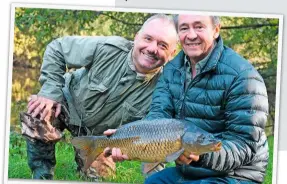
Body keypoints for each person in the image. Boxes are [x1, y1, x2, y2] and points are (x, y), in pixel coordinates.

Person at [107, 14, 269, 184]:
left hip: (236, 174)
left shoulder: (243, 77)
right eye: (184, 28)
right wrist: (128, 136)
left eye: (199, 26)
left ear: (216, 30)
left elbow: (243, 145)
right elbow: (158, 117)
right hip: (191, 171)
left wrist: (200, 156)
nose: (191, 35)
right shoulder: (171, 70)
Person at [22, 13, 178, 180]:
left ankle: (85, 159)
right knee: (38, 111)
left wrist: (155, 179)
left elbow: (156, 139)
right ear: (136, 37)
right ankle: (41, 175)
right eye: (148, 39)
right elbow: (57, 48)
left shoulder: (166, 90)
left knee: (100, 179)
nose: (152, 48)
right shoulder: (108, 47)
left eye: (162, 45)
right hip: (67, 105)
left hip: (100, 137)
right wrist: (50, 93)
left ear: (172, 53)